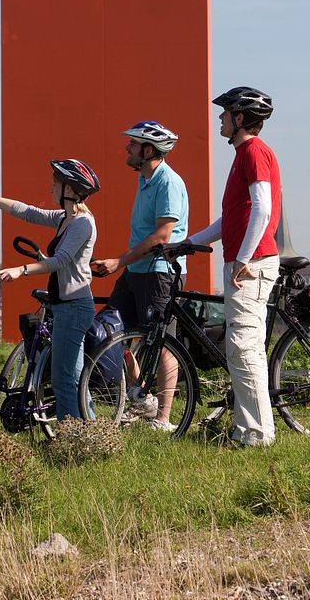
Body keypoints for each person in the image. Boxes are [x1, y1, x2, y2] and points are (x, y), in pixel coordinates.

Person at [0, 158, 99, 422]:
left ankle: (73, 440)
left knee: (63, 381)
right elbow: (26, 211)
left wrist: (20, 270)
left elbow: (60, 260)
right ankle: (91, 434)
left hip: (75, 307)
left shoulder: (82, 223)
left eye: (55, 183)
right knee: (75, 378)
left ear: (70, 188)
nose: (51, 189)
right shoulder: (65, 218)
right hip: (65, 306)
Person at [186, 87, 281, 448]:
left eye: (225, 113)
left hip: (251, 263)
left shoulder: (253, 152)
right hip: (245, 260)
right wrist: (191, 241)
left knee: (242, 347)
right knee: (244, 348)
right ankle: (247, 432)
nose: (220, 118)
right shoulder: (245, 154)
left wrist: (242, 259)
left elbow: (262, 209)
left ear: (240, 118)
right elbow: (231, 220)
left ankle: (257, 436)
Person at [92, 121, 189, 431]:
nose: (127, 149)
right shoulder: (145, 180)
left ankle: (164, 418)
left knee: (161, 344)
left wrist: (118, 261)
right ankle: (144, 398)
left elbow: (162, 236)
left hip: (159, 274)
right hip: (135, 272)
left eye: (132, 145)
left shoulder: (168, 183)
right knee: (109, 331)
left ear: (148, 151)